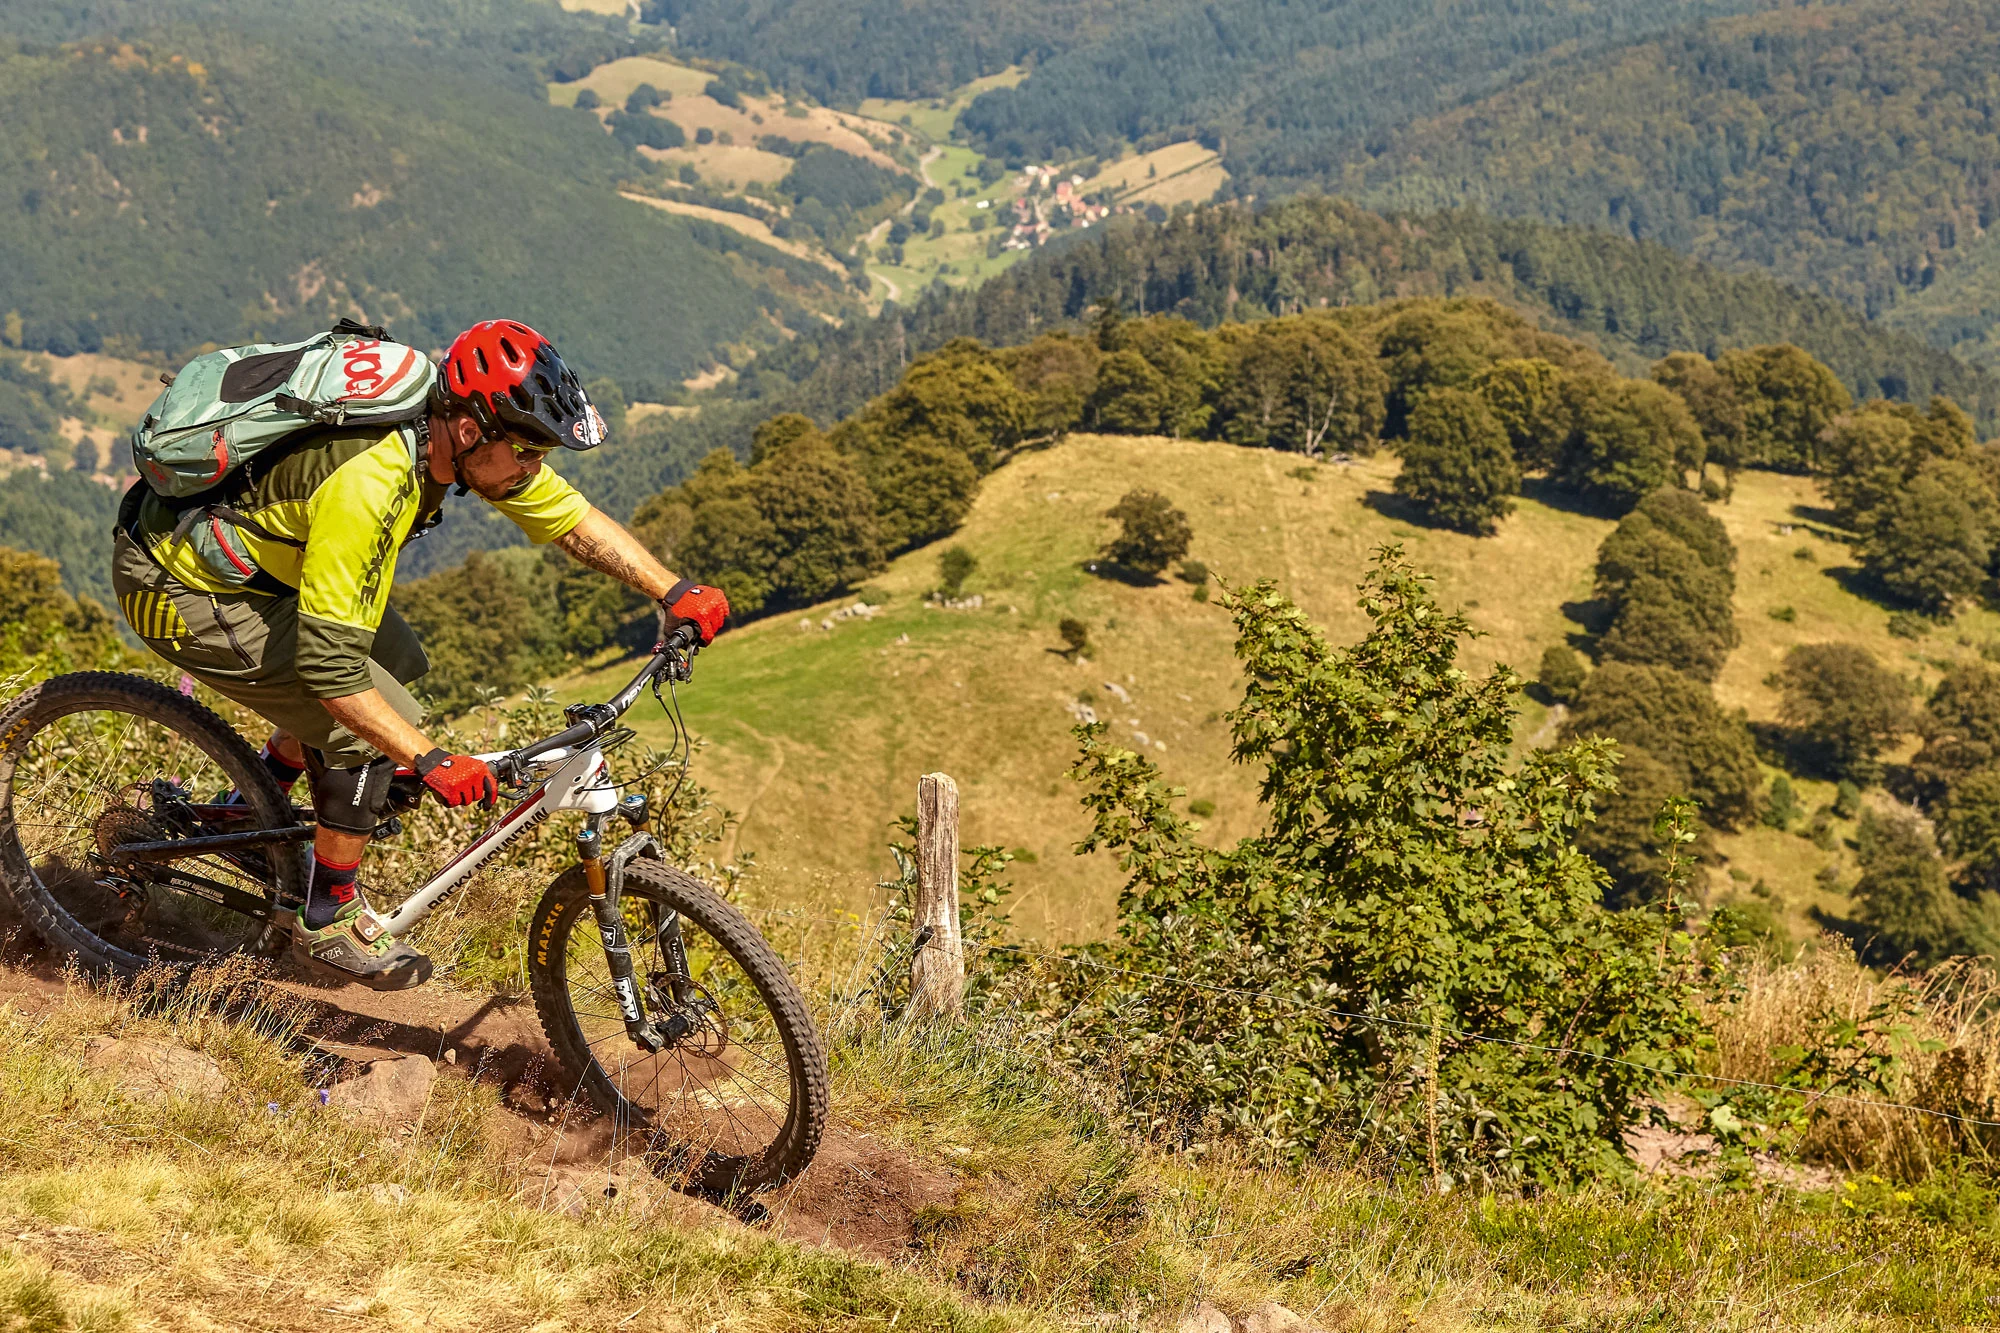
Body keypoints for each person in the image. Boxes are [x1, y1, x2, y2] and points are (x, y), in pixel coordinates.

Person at [110, 320, 728, 988]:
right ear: (468, 431)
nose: (533, 468)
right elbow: (331, 673)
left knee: (399, 664)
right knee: (371, 731)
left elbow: (568, 518)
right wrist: (429, 759)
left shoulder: (453, 434)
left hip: (265, 571)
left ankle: (251, 806)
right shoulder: (370, 482)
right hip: (180, 587)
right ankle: (326, 920)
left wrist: (674, 590)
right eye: (526, 451)